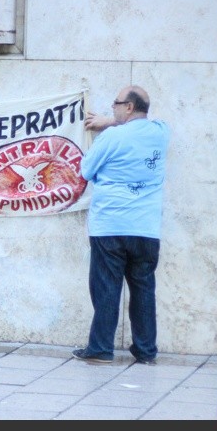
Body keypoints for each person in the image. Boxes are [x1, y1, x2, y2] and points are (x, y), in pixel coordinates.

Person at [72, 85, 170, 365]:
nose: (111, 108)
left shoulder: (112, 137)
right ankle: (146, 351)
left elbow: (85, 170)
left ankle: (101, 348)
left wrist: (108, 124)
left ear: (129, 107)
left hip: (110, 225)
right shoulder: (161, 132)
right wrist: (113, 120)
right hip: (146, 228)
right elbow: (142, 124)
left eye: (116, 103)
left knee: (106, 288)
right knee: (143, 290)